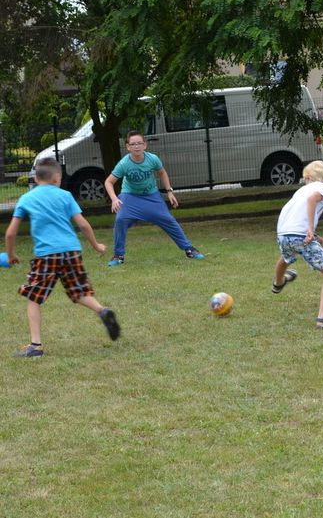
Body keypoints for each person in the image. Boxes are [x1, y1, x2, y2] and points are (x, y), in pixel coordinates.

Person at [4, 158, 120, 358]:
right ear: (57, 178)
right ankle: (102, 311)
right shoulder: (65, 195)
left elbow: (10, 234)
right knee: (79, 291)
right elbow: (83, 225)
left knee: (33, 297)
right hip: (71, 251)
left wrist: (12, 254)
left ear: (35, 177)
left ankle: (36, 346)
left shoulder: (27, 198)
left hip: (47, 255)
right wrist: (96, 245)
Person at [103, 130, 204, 266]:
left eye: (139, 143)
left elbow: (162, 172)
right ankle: (118, 256)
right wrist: (115, 199)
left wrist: (169, 191)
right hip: (130, 196)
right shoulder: (124, 164)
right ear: (128, 147)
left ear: (145, 145)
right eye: (133, 144)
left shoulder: (153, 159)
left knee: (169, 220)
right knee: (120, 220)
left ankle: (189, 249)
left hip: (151, 196)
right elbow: (108, 182)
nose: (136, 146)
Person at [273, 160, 323, 329]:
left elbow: (297, 221)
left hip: (283, 235)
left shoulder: (299, 192)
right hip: (299, 235)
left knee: (286, 257)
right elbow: (313, 200)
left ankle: (278, 283)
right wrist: (310, 229)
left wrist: (319, 239)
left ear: (308, 177)